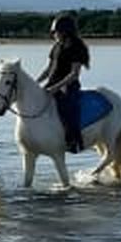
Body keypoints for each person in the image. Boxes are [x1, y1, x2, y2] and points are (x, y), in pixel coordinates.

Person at [36, 14, 90, 153]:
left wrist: (56, 88)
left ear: (66, 32)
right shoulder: (56, 47)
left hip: (69, 86)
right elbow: (48, 69)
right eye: (53, 32)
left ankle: (74, 141)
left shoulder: (76, 47)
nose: (54, 34)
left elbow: (74, 74)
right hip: (51, 85)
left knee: (67, 109)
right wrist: (35, 83)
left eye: (57, 32)